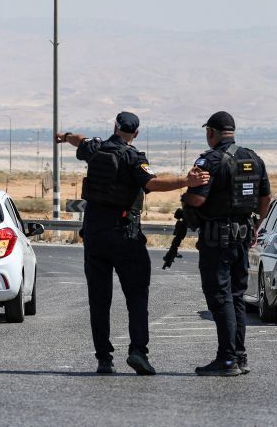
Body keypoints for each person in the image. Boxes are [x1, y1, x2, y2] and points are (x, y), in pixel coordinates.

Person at [56, 111, 208, 376]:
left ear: (115, 127)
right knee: (137, 297)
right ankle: (138, 351)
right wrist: (187, 181)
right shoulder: (133, 157)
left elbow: (79, 140)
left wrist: (64, 136)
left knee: (99, 299)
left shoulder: (96, 148)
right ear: (135, 133)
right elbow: (153, 182)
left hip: (94, 235)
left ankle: (104, 359)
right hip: (125, 235)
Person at [182, 111, 272, 377]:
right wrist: (255, 225)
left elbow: (197, 200)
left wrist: (185, 195)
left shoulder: (210, 160)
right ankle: (239, 356)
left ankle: (227, 359)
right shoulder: (253, 158)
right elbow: (265, 197)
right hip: (243, 235)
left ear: (211, 132)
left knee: (220, 298)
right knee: (236, 297)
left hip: (216, 238)